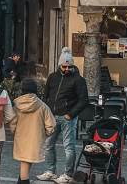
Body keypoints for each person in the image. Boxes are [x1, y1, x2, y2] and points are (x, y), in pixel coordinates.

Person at [36, 48, 88, 184]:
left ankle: (68, 174)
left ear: (72, 65)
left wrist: (70, 114)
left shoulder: (78, 80)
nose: (66, 69)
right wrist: (47, 111)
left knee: (69, 147)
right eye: (64, 66)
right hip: (52, 117)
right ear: (59, 65)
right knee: (48, 145)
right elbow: (46, 95)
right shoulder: (53, 77)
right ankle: (50, 171)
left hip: (67, 118)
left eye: (69, 66)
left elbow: (84, 100)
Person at [9, 78, 56, 184]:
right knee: (26, 162)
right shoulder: (43, 106)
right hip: (35, 139)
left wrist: (15, 132)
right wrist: (45, 134)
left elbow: (12, 123)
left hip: (21, 138)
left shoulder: (17, 105)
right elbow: (51, 125)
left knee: (25, 162)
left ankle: (21, 181)